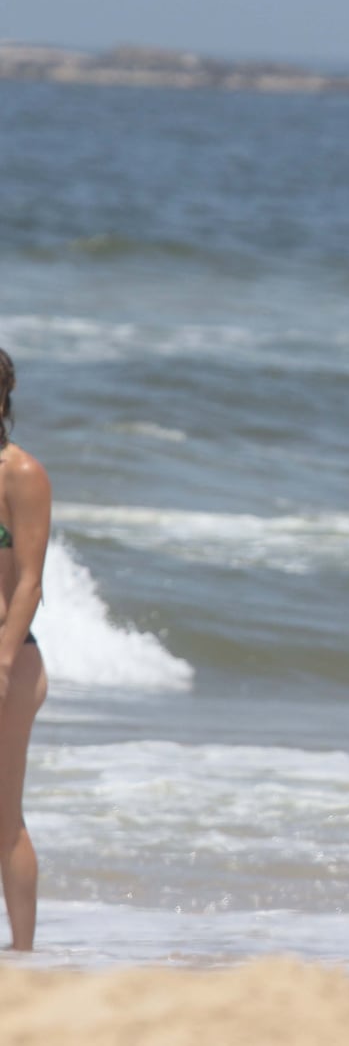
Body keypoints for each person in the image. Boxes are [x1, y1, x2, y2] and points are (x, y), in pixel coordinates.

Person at [0, 349, 50, 952]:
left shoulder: (22, 474)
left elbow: (31, 580)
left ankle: (23, 961)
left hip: (10, 660)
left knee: (3, 817)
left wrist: (4, 660)